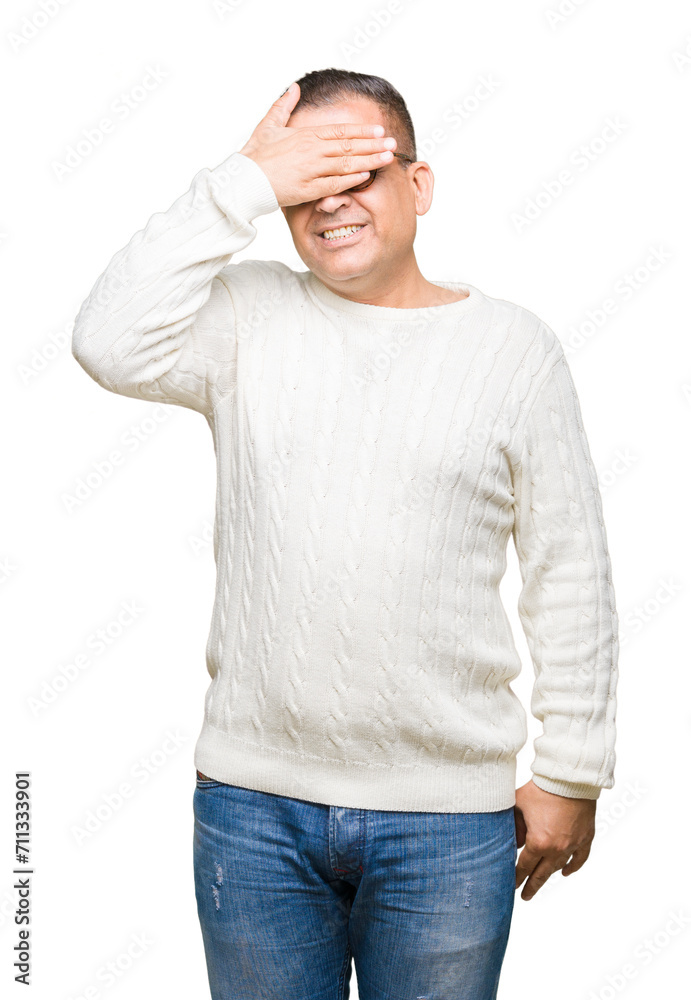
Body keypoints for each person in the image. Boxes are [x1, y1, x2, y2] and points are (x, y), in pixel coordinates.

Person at [71, 68, 619, 1000]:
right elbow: (106, 342)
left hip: (447, 820)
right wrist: (240, 182)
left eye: (355, 169)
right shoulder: (246, 315)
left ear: (419, 184)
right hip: (253, 810)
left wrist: (571, 773)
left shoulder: (512, 349)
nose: (328, 201)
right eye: (304, 179)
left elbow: (568, 569)